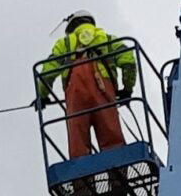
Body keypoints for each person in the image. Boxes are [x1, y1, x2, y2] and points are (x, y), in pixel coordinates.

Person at [36, 11, 137, 159]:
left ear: (71, 27)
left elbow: (47, 73)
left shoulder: (64, 44)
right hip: (103, 92)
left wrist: (42, 96)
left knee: (78, 141)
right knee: (111, 138)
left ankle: (80, 172)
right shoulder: (106, 39)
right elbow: (128, 61)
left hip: (76, 95)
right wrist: (127, 89)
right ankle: (117, 171)